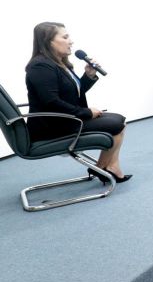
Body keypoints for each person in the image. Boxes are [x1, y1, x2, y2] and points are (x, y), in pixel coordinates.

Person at [25, 22, 131, 183]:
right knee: (117, 125)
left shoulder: (59, 64)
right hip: (52, 126)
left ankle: (107, 167)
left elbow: (71, 94)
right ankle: (103, 168)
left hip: (64, 119)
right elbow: (51, 102)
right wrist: (87, 113)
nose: (71, 41)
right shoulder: (40, 66)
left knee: (119, 119)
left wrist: (88, 76)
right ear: (48, 41)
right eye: (65, 37)